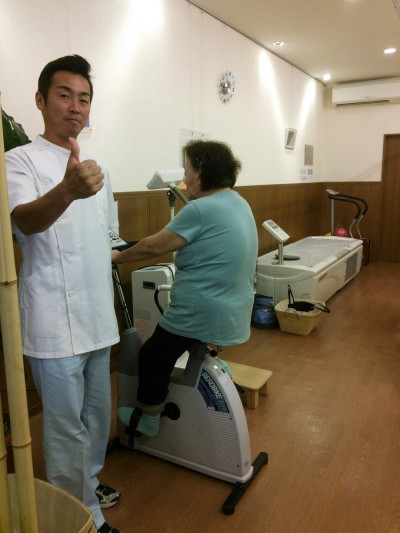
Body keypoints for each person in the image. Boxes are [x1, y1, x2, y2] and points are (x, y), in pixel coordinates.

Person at [5, 55, 122, 533]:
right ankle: (82, 519)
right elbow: (24, 222)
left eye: (84, 99)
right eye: (64, 95)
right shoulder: (17, 161)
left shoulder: (98, 169)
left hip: (98, 318)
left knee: (96, 419)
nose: (76, 107)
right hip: (53, 321)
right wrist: (68, 190)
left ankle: (87, 489)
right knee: (63, 429)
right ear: (40, 100)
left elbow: (108, 239)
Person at [113, 140, 258, 440]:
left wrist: (117, 257)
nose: (184, 177)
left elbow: (154, 247)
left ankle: (148, 418)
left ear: (200, 172)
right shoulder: (237, 201)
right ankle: (213, 369)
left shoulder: (201, 209)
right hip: (234, 307)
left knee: (152, 355)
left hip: (202, 310)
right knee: (185, 345)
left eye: (187, 169)